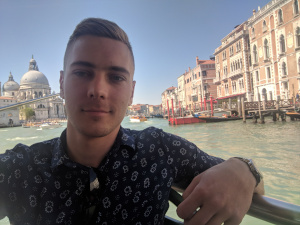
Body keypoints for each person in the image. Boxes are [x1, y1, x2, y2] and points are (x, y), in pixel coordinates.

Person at [0, 18, 264, 225]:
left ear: (132, 91)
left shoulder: (160, 149)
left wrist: (243, 170)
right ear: (61, 83)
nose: (98, 90)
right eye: (82, 72)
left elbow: (254, 181)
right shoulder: (19, 168)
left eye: (116, 77)